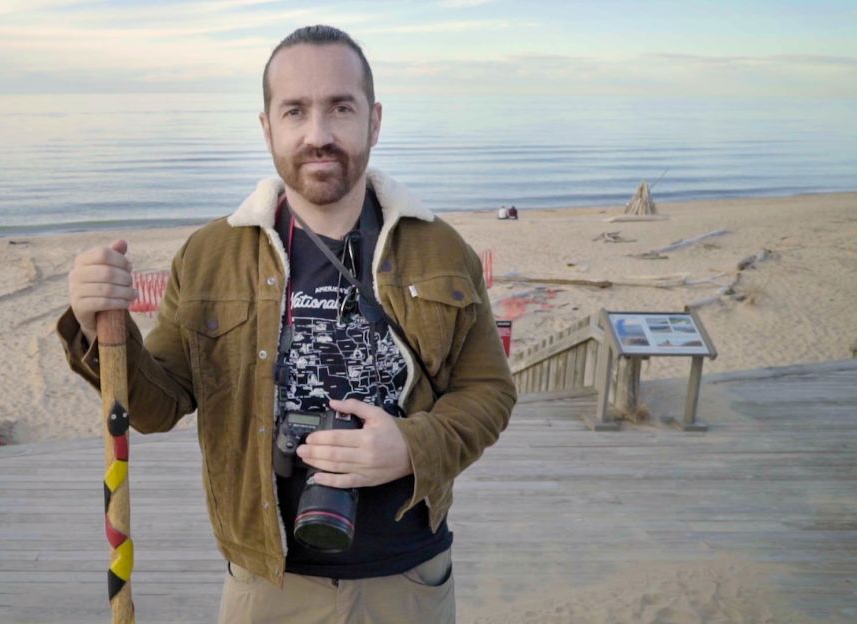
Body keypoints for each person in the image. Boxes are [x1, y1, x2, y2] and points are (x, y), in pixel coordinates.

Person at [59, 24, 517, 624]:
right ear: (267, 126)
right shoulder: (209, 256)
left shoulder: (440, 249)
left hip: (407, 577)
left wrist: (410, 446)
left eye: (340, 108)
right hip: (265, 584)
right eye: (295, 110)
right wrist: (95, 328)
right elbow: (156, 404)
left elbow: (489, 391)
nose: (318, 135)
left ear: (374, 121)